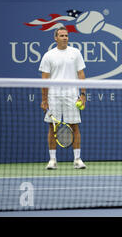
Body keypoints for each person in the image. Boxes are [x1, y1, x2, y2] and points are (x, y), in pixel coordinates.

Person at [39, 26, 87, 170]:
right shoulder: (49, 55)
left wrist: (83, 94)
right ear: (55, 38)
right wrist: (44, 99)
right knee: (52, 127)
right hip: (53, 96)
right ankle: (52, 160)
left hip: (72, 95)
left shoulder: (75, 53)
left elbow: (81, 74)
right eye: (61, 36)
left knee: (74, 126)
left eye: (66, 35)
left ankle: (77, 159)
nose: (65, 38)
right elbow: (44, 79)